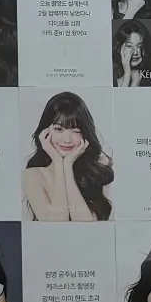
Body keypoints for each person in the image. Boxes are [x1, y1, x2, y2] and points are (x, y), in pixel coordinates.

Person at [24, 92, 114, 221]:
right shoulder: (33, 175)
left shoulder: (98, 170)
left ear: (84, 133)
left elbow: (86, 225)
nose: (67, 140)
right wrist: (58, 162)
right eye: (58, 129)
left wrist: (67, 166)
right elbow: (56, 224)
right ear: (45, 132)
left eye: (76, 131)